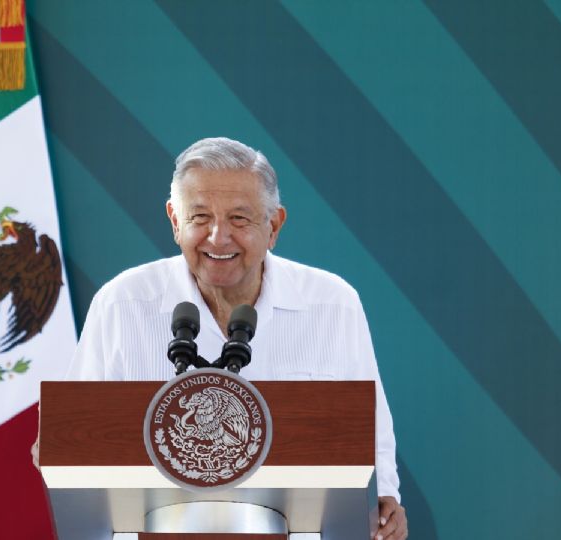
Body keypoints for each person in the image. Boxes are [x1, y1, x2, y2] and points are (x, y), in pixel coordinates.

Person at [49, 137, 407, 539]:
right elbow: (76, 439)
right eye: (200, 217)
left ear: (273, 226)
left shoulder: (333, 304)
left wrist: (384, 500)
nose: (218, 238)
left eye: (239, 219)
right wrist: (55, 446)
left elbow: (369, 432)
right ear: (174, 221)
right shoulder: (120, 304)